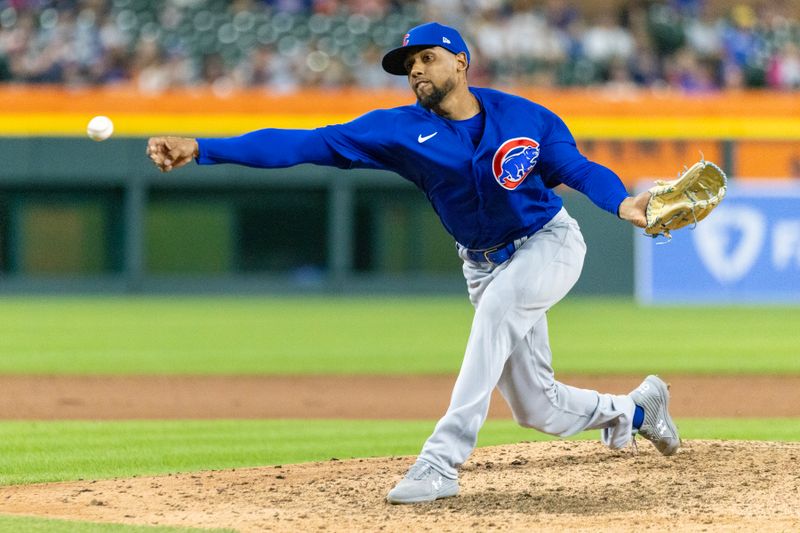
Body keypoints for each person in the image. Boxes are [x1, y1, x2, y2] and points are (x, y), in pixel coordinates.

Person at [146, 22, 680, 505]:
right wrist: (202, 147)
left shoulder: (524, 117)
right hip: (482, 263)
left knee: (496, 311)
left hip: (549, 243)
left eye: (425, 58)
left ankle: (441, 461)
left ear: (461, 61)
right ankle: (637, 410)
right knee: (536, 409)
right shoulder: (398, 131)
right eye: (408, 66)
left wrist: (624, 203)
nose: (415, 70)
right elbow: (304, 144)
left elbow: (580, 169)